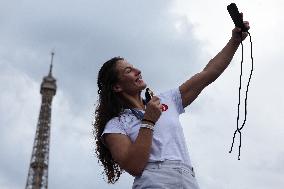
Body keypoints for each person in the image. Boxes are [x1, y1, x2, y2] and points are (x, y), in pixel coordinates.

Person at [93, 19, 250, 188]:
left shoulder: (166, 100)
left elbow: (208, 73)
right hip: (155, 180)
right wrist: (148, 121)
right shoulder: (115, 125)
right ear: (117, 86)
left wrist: (235, 41)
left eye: (134, 67)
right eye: (128, 70)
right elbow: (134, 166)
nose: (138, 71)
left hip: (187, 178)